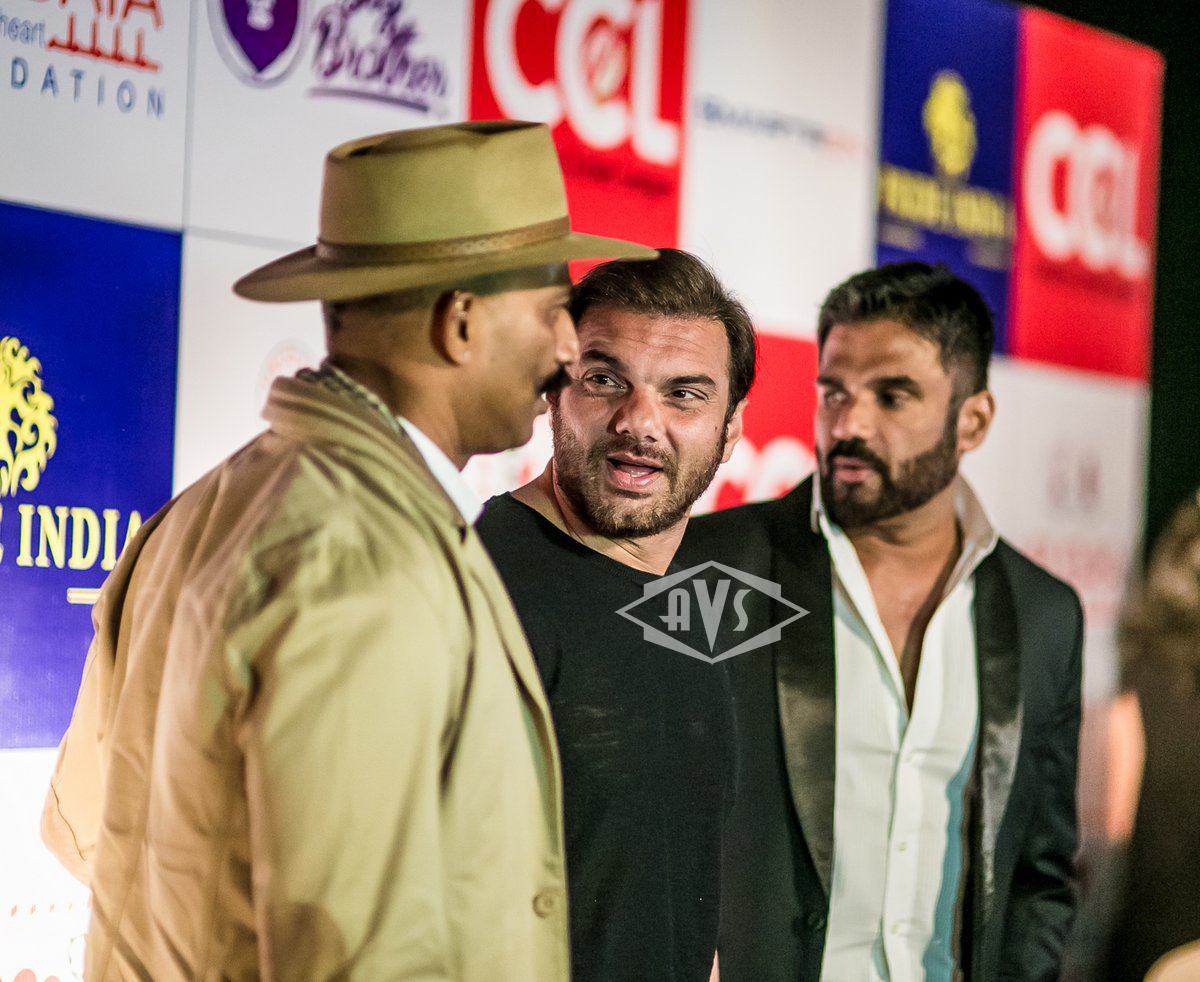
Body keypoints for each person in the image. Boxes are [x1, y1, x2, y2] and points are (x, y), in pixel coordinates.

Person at [40, 121, 654, 980]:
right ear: (461, 324)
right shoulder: (366, 557)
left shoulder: (203, 508)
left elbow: (81, 828)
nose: (565, 348)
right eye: (552, 311)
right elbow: (355, 953)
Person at [683, 261, 1083, 982]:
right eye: (834, 392)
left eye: (892, 396)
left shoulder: (1043, 613)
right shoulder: (718, 568)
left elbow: (1039, 874)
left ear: (973, 420)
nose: (850, 424)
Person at [476, 249, 757, 982]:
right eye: (605, 381)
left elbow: (670, 886)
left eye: (684, 395)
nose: (639, 422)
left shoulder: (694, 605)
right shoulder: (477, 588)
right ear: (553, 391)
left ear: (730, 429)